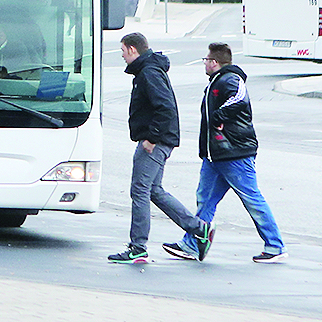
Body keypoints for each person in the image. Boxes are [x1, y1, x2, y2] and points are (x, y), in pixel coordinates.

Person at [163, 43, 285, 263]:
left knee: (252, 199)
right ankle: (192, 244)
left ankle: (275, 246)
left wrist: (219, 117)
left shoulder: (229, 79)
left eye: (206, 60)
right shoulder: (218, 81)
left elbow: (239, 99)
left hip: (234, 154)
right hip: (216, 155)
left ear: (214, 62)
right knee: (205, 199)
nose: (205, 64)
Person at [108, 32, 214, 263]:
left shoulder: (148, 72)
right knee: (154, 190)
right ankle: (200, 229)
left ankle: (138, 248)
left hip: (154, 142)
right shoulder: (149, 70)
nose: (123, 56)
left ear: (133, 50)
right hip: (160, 139)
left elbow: (165, 108)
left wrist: (152, 138)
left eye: (123, 51)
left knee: (140, 190)